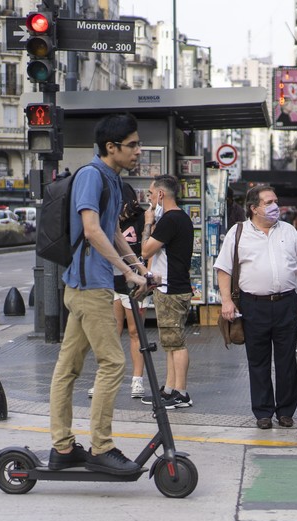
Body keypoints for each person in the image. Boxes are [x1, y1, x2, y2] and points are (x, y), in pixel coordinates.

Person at [47, 113, 148, 475]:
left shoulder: (111, 179)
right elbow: (91, 230)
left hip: (88, 286)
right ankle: (101, 447)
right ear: (111, 147)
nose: (138, 150)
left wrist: (138, 266)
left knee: (68, 368)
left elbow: (112, 230)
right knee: (113, 363)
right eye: (132, 145)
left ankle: (62, 447)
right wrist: (126, 273)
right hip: (90, 287)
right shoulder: (91, 176)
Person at [214, 184, 297, 429]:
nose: (274, 206)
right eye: (268, 202)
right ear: (254, 208)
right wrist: (226, 301)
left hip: (286, 304)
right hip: (253, 305)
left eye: (275, 201)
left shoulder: (289, 231)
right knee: (257, 361)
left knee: (287, 360)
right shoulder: (238, 233)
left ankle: (286, 411)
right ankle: (263, 412)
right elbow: (224, 269)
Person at [88, 181, 146, 400]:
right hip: (108, 281)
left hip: (131, 283)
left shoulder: (140, 219)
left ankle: (137, 380)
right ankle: (103, 380)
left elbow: (146, 249)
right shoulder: (106, 219)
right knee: (110, 332)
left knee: (135, 332)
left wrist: (148, 225)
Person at [140, 175, 195, 409]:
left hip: (172, 289)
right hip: (172, 287)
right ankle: (170, 388)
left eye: (151, 194)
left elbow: (145, 250)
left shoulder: (169, 220)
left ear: (161, 195)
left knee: (177, 342)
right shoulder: (179, 218)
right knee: (171, 342)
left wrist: (148, 222)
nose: (150, 199)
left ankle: (181, 392)